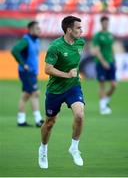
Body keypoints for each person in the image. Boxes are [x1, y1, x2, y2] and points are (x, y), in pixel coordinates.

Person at [38, 16, 85, 169]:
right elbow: (47, 69)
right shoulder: (55, 46)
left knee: (79, 115)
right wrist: (67, 74)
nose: (81, 30)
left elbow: (74, 61)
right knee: (50, 123)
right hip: (55, 90)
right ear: (69, 30)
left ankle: (74, 147)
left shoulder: (80, 42)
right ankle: (43, 149)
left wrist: (75, 75)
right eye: (78, 27)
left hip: (73, 86)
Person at [11, 21, 44, 127]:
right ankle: (38, 120)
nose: (39, 30)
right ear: (31, 29)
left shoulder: (36, 40)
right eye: (37, 28)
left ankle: (21, 120)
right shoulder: (26, 40)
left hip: (32, 72)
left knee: (26, 95)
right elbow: (15, 50)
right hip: (26, 72)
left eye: (39, 28)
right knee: (35, 93)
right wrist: (23, 64)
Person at [91, 16, 117, 115]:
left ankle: (104, 102)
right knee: (102, 85)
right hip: (101, 63)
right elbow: (96, 51)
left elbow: (112, 48)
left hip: (110, 62)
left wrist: (114, 61)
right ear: (101, 23)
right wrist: (103, 62)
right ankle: (103, 108)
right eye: (104, 22)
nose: (106, 24)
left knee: (114, 85)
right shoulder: (97, 36)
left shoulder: (110, 35)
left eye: (107, 22)